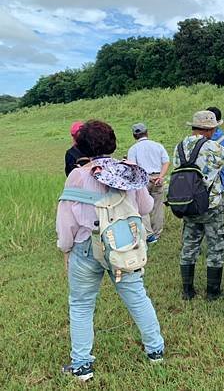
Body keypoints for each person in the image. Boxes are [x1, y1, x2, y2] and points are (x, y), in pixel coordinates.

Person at [56, 120, 164, 382]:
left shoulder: (78, 175)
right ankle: (155, 350)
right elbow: (147, 207)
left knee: (81, 305)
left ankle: (82, 365)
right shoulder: (129, 172)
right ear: (112, 142)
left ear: (81, 145)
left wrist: (65, 248)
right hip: (123, 243)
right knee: (137, 296)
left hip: (86, 245)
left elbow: (66, 220)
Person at [176, 111, 224, 301]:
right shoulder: (212, 146)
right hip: (211, 204)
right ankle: (213, 292)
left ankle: (187, 290)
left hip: (187, 203)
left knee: (189, 244)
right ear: (210, 129)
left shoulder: (180, 146)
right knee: (216, 245)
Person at [127, 123, 170, 244]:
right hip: (158, 178)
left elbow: (133, 167)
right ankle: (157, 232)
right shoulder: (158, 145)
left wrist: (147, 177)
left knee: (142, 207)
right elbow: (166, 162)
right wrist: (160, 177)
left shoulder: (133, 149)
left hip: (143, 180)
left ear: (134, 136)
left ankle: (149, 234)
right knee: (158, 206)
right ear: (147, 132)